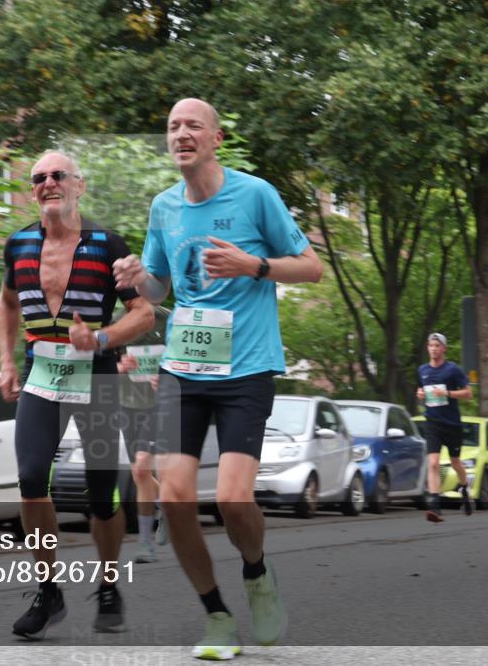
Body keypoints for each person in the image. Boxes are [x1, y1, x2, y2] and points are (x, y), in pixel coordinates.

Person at [113, 98, 323, 659]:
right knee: (176, 495)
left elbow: (312, 266)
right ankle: (217, 617)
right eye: (173, 127)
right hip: (184, 368)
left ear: (215, 138)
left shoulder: (254, 195)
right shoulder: (164, 208)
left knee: (233, 500)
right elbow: (160, 289)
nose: (181, 134)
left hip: (247, 367)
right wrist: (137, 278)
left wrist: (253, 266)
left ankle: (256, 573)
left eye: (192, 126)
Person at [0, 150, 155, 640]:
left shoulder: (107, 244)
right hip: (41, 376)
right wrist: (5, 360)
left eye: (57, 175)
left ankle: (108, 583)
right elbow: (5, 303)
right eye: (39, 177)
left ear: (78, 186)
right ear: (33, 190)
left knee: (102, 493)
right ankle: (49, 589)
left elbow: (144, 314)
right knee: (29, 478)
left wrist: (103, 338)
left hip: (98, 377)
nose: (48, 183)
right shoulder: (18, 244)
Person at [114, 305, 171, 564]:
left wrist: (169, 376)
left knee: (141, 469)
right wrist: (119, 368)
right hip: (127, 406)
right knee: (141, 474)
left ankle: (145, 544)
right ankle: (169, 505)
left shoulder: (167, 319)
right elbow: (98, 364)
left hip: (158, 405)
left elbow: (184, 357)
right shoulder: (115, 321)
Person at [415, 332, 474, 522]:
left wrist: (447, 393)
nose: (433, 349)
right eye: (431, 345)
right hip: (432, 423)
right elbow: (420, 389)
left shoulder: (452, 370)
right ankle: (435, 506)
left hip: (452, 424)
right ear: (428, 348)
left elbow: (468, 394)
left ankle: (464, 489)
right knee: (433, 463)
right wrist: (420, 394)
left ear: (444, 349)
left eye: (437, 346)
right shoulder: (422, 370)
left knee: (456, 462)